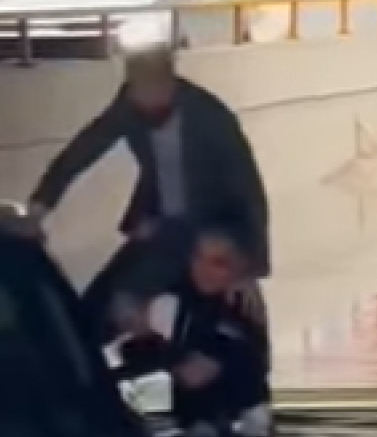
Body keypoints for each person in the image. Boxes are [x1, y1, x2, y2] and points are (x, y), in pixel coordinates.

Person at [25, 44, 270, 335]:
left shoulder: (210, 118)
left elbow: (248, 190)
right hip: (160, 227)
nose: (141, 104)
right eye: (135, 92)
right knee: (98, 309)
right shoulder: (129, 107)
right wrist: (40, 205)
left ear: (169, 85)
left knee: (220, 318)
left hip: (211, 230)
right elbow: (84, 150)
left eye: (149, 93)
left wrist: (247, 265)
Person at [110, 230, 272, 437]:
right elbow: (132, 347)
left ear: (236, 270)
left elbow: (196, 371)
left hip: (241, 416)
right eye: (198, 259)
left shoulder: (239, 310)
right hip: (195, 419)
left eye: (218, 263)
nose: (204, 270)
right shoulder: (174, 303)